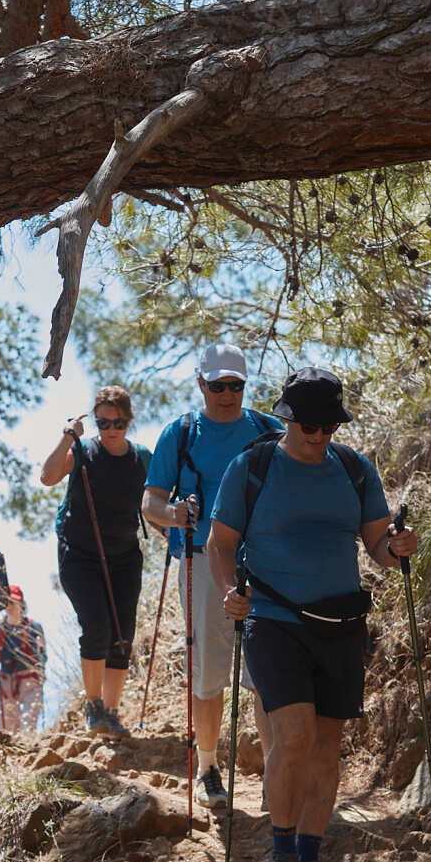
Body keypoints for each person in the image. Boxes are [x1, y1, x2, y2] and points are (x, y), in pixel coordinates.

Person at [207, 366, 417, 862]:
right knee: (293, 735)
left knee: (327, 748)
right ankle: (280, 859)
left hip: (341, 623)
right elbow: (220, 543)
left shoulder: (353, 470)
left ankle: (310, 859)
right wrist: (231, 591)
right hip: (273, 619)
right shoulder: (250, 467)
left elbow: (376, 547)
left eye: (329, 426)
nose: (320, 436)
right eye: (310, 426)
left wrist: (397, 549)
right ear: (288, 418)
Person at [142, 343, 282, 808]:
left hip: (263, 559)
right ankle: (207, 769)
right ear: (201, 384)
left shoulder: (268, 430)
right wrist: (174, 512)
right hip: (200, 560)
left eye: (235, 385)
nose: (227, 393)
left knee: (266, 670)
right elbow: (151, 504)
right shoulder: (180, 433)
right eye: (218, 385)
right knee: (207, 672)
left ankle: (274, 774)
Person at [40, 385, 150, 738]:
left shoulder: (143, 458)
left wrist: (177, 528)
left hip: (124, 556)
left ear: (129, 421)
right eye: (103, 422)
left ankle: (112, 712)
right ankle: (93, 705)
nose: (110, 429)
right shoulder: (83, 452)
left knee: (122, 635)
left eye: (117, 423)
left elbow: (154, 505)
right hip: (79, 554)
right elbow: (48, 477)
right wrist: (69, 435)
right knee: (97, 626)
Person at [0, 585, 46, 732]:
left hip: (30, 680)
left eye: (13, 602)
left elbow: (42, 654)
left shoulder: (34, 627)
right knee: (8, 729)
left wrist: (42, 670)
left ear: (21, 604)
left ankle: (30, 750)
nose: (9, 606)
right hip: (6, 683)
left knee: (29, 723)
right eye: (6, 602)